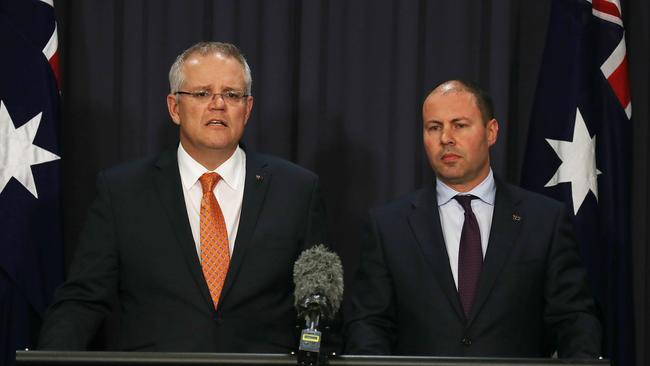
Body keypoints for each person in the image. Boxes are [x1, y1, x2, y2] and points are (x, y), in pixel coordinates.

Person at [38, 42, 328, 352]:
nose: (218, 104)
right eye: (202, 93)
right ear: (174, 107)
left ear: (248, 109)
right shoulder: (122, 191)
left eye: (232, 95)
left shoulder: (296, 190)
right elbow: (82, 300)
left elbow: (322, 307)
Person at [344, 80, 602, 358]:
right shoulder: (388, 227)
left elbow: (574, 320)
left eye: (460, 125)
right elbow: (369, 327)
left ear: (491, 132)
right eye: (434, 127)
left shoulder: (544, 221)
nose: (446, 138)